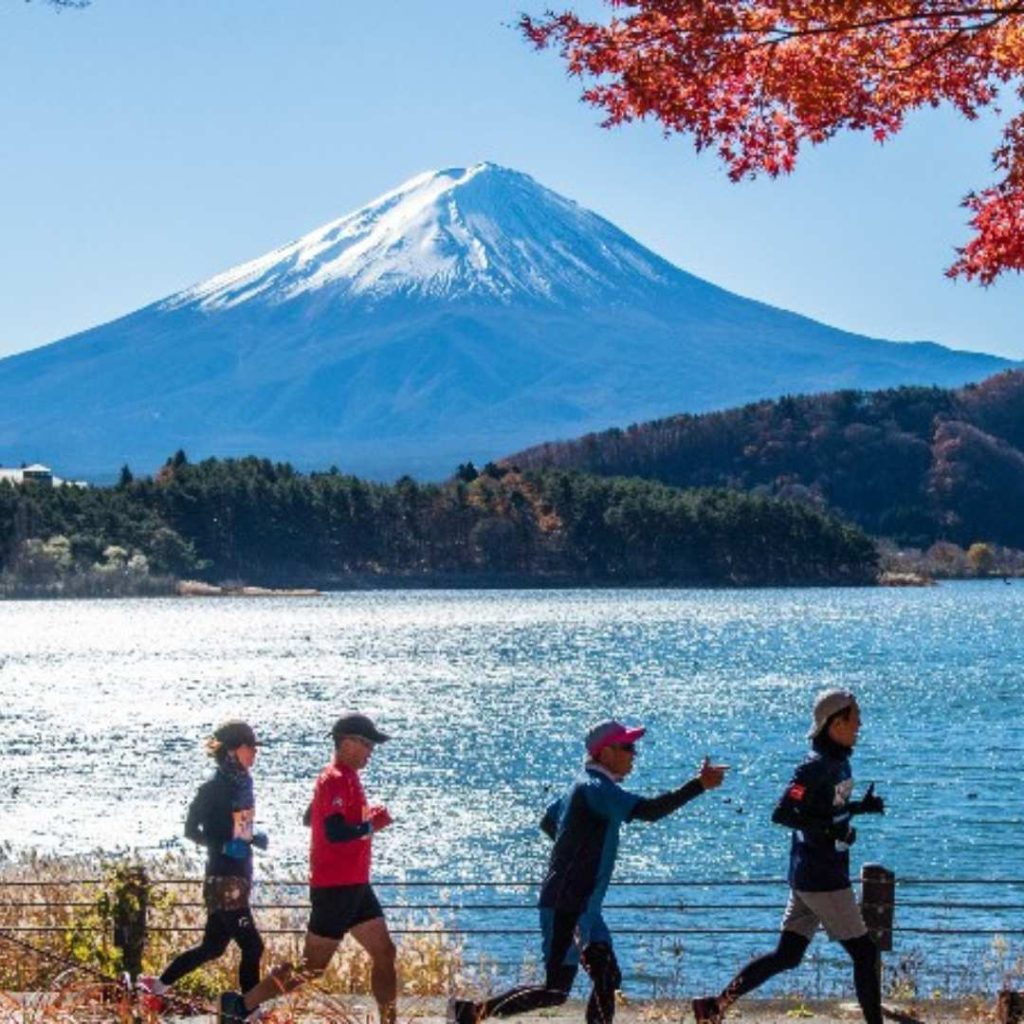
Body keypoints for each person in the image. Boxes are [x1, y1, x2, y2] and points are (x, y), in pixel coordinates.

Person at [447, 719, 728, 1024]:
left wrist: (572, 848)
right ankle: (468, 1013)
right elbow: (650, 811)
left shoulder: (582, 785)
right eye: (628, 747)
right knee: (555, 991)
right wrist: (698, 785)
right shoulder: (596, 788)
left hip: (586, 907)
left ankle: (468, 1013)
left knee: (606, 979)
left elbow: (548, 821)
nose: (634, 754)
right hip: (567, 903)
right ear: (605, 753)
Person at [691, 689, 886, 1024]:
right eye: (855, 718)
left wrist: (858, 808)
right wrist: (831, 830)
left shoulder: (839, 761)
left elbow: (825, 808)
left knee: (787, 955)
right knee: (865, 954)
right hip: (823, 877)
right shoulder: (812, 768)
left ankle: (714, 1007)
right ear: (835, 723)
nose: (861, 723)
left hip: (809, 874)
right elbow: (783, 813)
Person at [218, 713, 395, 1024]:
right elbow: (335, 832)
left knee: (385, 952)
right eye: (367, 743)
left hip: (355, 884)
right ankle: (241, 1006)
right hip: (336, 888)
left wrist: (361, 817)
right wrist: (369, 826)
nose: (372, 751)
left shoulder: (345, 778)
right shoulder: (335, 778)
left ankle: (389, 1021)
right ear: (347, 742)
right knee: (310, 969)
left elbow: (309, 818)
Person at [139, 720, 267, 1011]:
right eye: (251, 748)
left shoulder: (244, 784)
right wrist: (221, 845)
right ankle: (250, 1010)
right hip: (223, 881)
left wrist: (252, 838)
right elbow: (190, 830)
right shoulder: (213, 789)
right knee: (253, 947)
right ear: (234, 751)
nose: (255, 754)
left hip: (239, 876)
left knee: (212, 948)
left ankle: (155, 991)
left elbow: (240, 830)